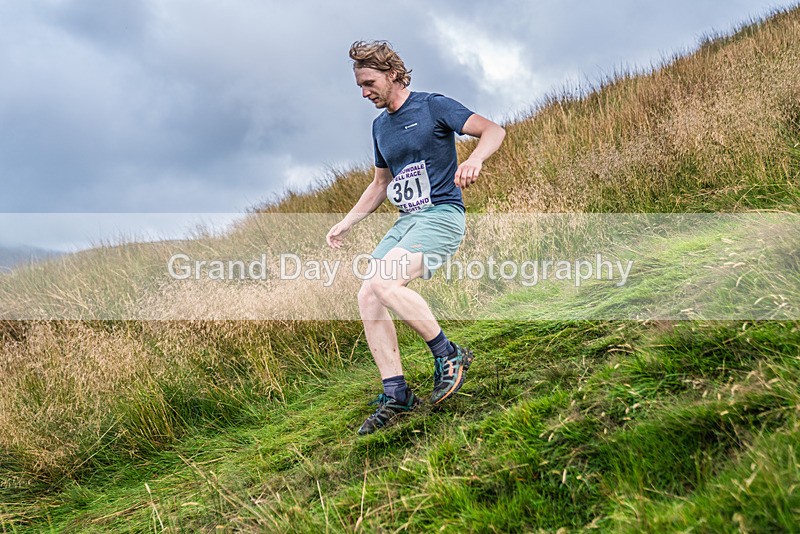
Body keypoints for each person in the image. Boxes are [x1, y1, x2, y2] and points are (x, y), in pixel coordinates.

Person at [326, 40, 506, 435]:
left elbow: (493, 130)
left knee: (384, 281)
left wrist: (474, 158)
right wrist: (347, 222)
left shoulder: (432, 106)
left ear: (392, 74)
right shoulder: (380, 127)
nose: (364, 93)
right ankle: (397, 394)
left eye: (369, 83)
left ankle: (449, 354)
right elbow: (380, 183)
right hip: (407, 222)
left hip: (441, 216)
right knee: (368, 294)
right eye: (360, 86)